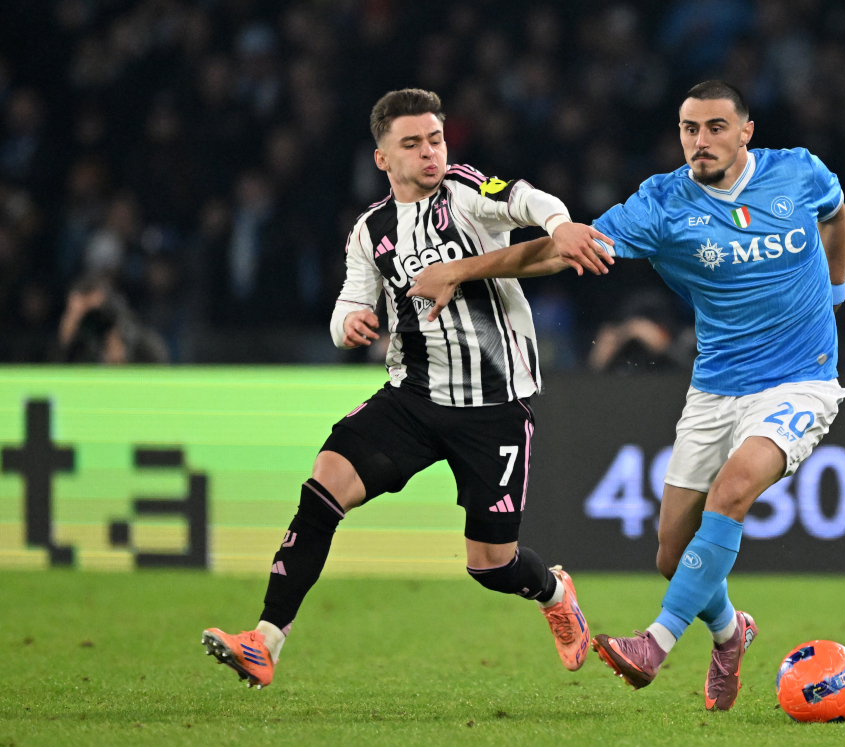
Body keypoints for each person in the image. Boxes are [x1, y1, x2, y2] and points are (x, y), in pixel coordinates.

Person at [408, 80, 845, 711]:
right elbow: (565, 252)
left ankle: (655, 644)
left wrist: (836, 289)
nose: (701, 141)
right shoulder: (663, 205)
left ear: (746, 131)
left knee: (733, 489)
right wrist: (459, 269)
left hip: (801, 377)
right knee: (673, 555)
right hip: (717, 385)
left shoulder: (799, 172)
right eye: (689, 129)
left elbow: (835, 215)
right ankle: (731, 633)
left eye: (716, 128)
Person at [201, 88, 614, 688]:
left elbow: (527, 198)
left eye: (436, 139)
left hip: (492, 409)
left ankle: (553, 592)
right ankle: (265, 642)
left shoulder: (467, 191)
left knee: (490, 565)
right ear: (382, 159)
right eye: (413, 144)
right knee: (323, 488)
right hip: (412, 400)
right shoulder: (372, 230)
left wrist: (559, 223)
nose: (430, 154)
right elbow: (350, 301)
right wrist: (350, 325)